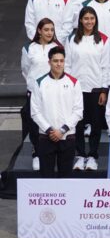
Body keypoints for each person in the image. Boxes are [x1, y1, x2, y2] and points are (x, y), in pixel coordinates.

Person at [65, 8, 110, 171]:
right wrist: (69, 87)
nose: (89, 21)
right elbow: (68, 65)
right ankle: (79, 155)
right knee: (77, 124)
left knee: (96, 124)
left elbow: (106, 66)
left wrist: (104, 90)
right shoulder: (71, 39)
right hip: (76, 89)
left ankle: (92, 155)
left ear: (95, 20)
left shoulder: (103, 39)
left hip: (96, 89)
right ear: (81, 21)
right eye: (86, 18)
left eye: (92, 18)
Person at [29, 46, 83, 178]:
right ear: (49, 62)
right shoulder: (39, 82)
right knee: (46, 177)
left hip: (67, 137)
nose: (59, 64)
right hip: (46, 137)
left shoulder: (74, 82)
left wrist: (63, 130)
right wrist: (49, 130)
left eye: (61, 61)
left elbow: (78, 111)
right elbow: (35, 111)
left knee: (66, 178)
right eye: (55, 61)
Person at [21, 19, 63, 171]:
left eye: (52, 29)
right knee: (34, 124)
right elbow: (25, 69)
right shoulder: (28, 48)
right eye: (46, 29)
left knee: (52, 121)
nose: (49, 32)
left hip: (53, 91)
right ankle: (37, 154)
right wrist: (34, 85)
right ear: (39, 31)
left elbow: (61, 67)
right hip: (34, 92)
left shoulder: (58, 47)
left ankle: (55, 153)